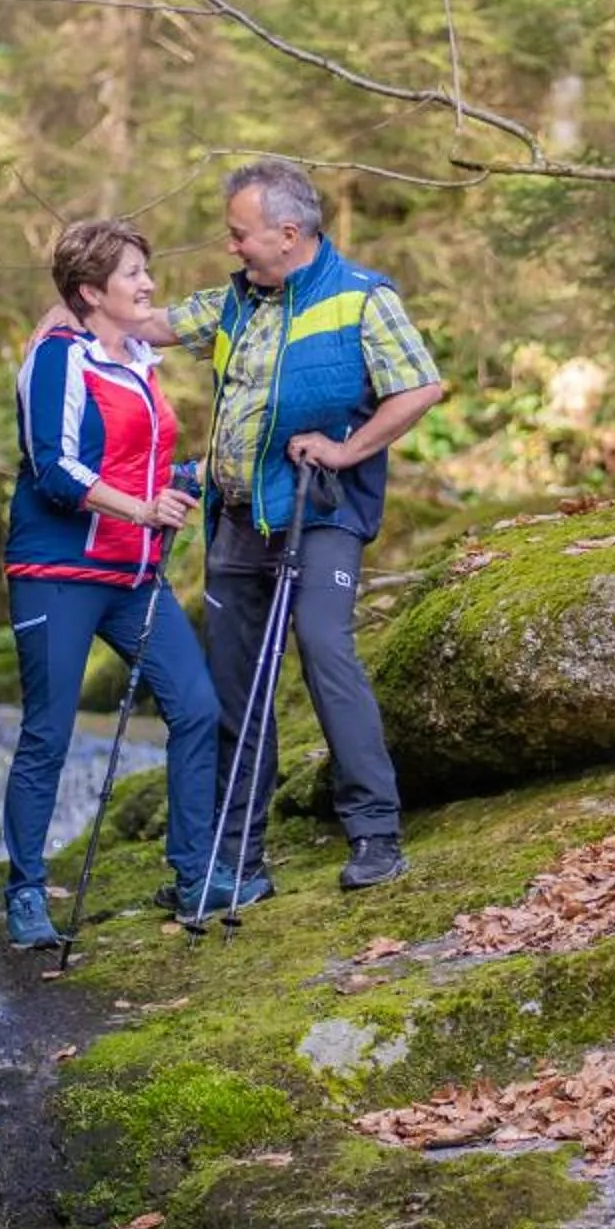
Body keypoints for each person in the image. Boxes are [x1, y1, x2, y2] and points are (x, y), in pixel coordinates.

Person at [161, 159, 444, 898]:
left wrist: (347, 450)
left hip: (321, 512)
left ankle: (375, 835)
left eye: (240, 234)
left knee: (324, 648)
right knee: (234, 684)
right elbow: (151, 324)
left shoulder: (362, 298)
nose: (231, 246)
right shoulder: (236, 301)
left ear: (288, 233)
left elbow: (420, 387)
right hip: (237, 519)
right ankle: (236, 861)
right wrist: (74, 314)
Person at [0, 219, 220, 948]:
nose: (148, 284)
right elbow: (55, 468)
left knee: (196, 706)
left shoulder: (138, 359)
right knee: (48, 733)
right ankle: (26, 895)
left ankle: (194, 872)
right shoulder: (59, 358)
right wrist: (142, 509)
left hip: (133, 574)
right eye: (132, 274)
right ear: (91, 292)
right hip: (58, 574)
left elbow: (137, 461)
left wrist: (189, 480)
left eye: (145, 271)